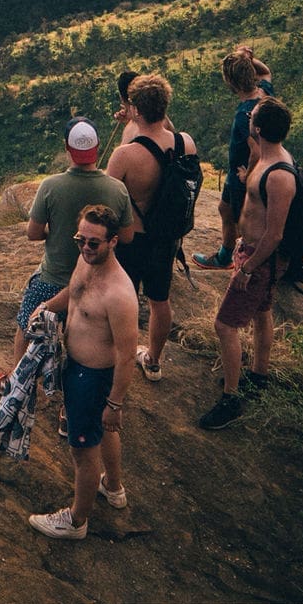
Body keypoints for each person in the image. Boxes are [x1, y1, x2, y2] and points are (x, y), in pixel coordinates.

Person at [0, 119, 133, 394]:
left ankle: (15, 381)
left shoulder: (50, 186)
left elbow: (33, 233)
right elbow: (127, 236)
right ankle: (69, 408)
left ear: (67, 149)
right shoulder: (117, 189)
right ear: (97, 147)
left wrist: (56, 231)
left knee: (26, 323)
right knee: (80, 344)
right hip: (97, 280)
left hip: (54, 278)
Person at [27, 205, 138, 540]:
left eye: (94, 243)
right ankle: (113, 487)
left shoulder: (119, 294)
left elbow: (127, 356)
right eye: (81, 240)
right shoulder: (85, 261)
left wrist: (115, 404)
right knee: (102, 431)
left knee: (83, 452)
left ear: (113, 241)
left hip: (92, 378)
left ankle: (76, 522)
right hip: (75, 368)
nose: (86, 248)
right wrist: (46, 306)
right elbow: (73, 294)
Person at [199, 95, 295, 430]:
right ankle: (258, 375)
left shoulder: (279, 174)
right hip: (254, 253)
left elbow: (275, 233)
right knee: (261, 312)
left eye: (252, 116)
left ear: (259, 129)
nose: (247, 118)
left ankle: (231, 398)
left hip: (259, 260)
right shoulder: (267, 159)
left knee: (225, 325)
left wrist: (248, 268)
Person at [106, 73, 199, 382]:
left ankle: (117, 359)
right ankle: (154, 361)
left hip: (133, 238)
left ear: (135, 109)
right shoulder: (185, 142)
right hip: (167, 237)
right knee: (160, 301)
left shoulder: (125, 155)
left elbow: (105, 198)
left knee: (126, 300)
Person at [194, 46, 274, 269]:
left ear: (231, 83)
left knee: (242, 219)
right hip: (252, 170)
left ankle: (237, 260)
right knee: (224, 209)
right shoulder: (265, 93)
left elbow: (256, 151)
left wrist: (248, 175)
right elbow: (266, 71)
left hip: (242, 173)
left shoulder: (244, 115)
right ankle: (224, 255)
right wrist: (248, 59)